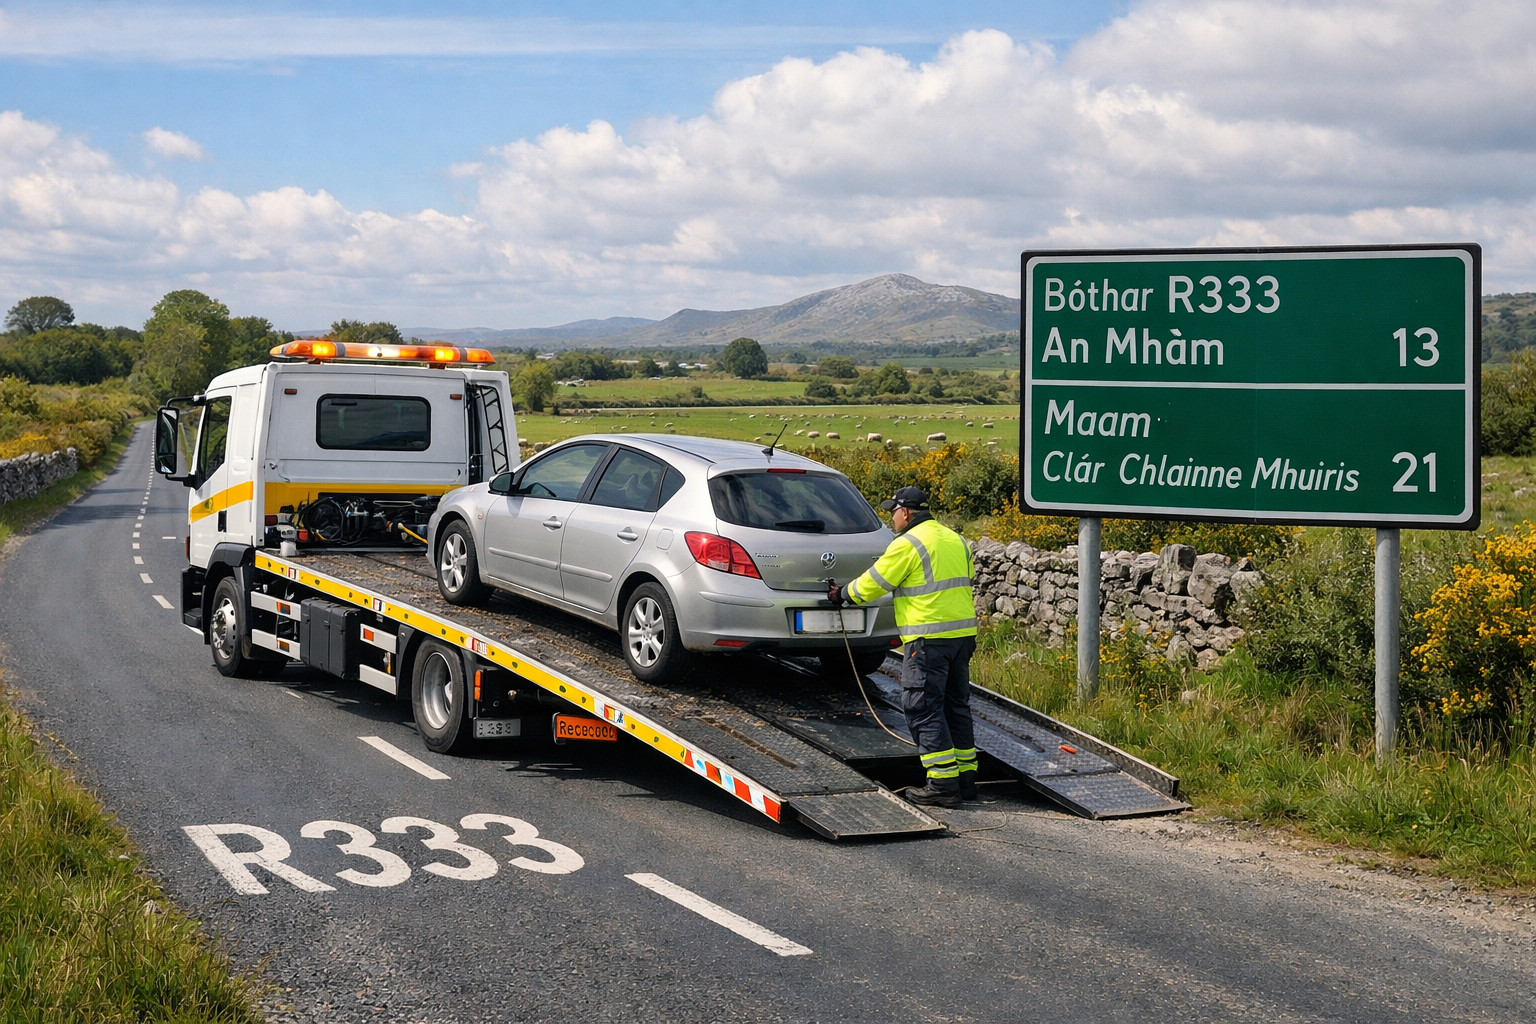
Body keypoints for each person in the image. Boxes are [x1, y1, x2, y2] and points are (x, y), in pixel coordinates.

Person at [828, 486, 978, 808]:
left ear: (905, 512)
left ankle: (942, 784)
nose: (891, 518)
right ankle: (965, 780)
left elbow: (873, 584)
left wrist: (842, 595)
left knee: (923, 708)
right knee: (956, 706)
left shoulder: (908, 544)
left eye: (892, 511)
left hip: (927, 640)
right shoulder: (955, 539)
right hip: (962, 636)